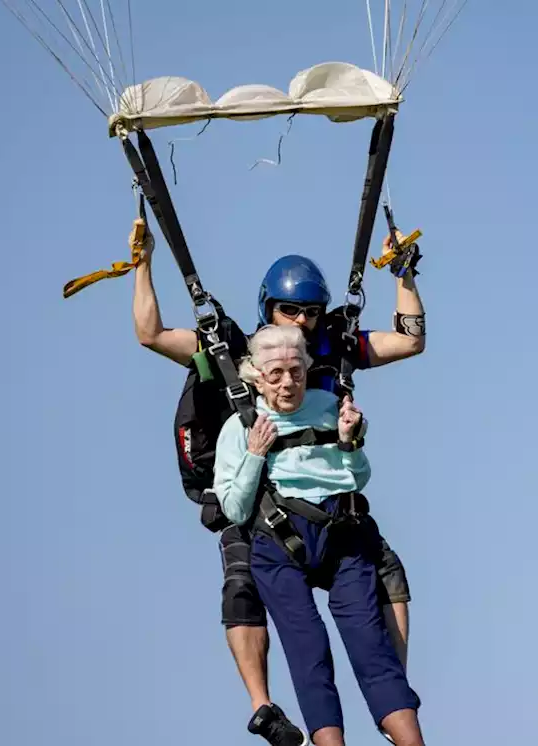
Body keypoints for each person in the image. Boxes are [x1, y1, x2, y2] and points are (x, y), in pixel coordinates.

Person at [129, 220, 426, 744]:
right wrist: (143, 265)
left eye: (311, 312)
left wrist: (403, 274)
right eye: (290, 311)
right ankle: (263, 705)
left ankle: (388, 691)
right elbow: (151, 334)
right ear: (268, 308)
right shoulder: (237, 351)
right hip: (255, 498)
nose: (303, 322)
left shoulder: (332, 350)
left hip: (327, 503)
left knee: (388, 574)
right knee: (243, 584)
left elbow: (409, 341)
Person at [213, 324, 425, 746]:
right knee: (309, 649)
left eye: (296, 371)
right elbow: (234, 509)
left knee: (372, 647)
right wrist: (255, 454)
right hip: (278, 544)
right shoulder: (240, 427)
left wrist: (350, 443)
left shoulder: (328, 406)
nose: (288, 383)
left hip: (339, 536)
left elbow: (357, 478)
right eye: (275, 374)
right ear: (257, 376)